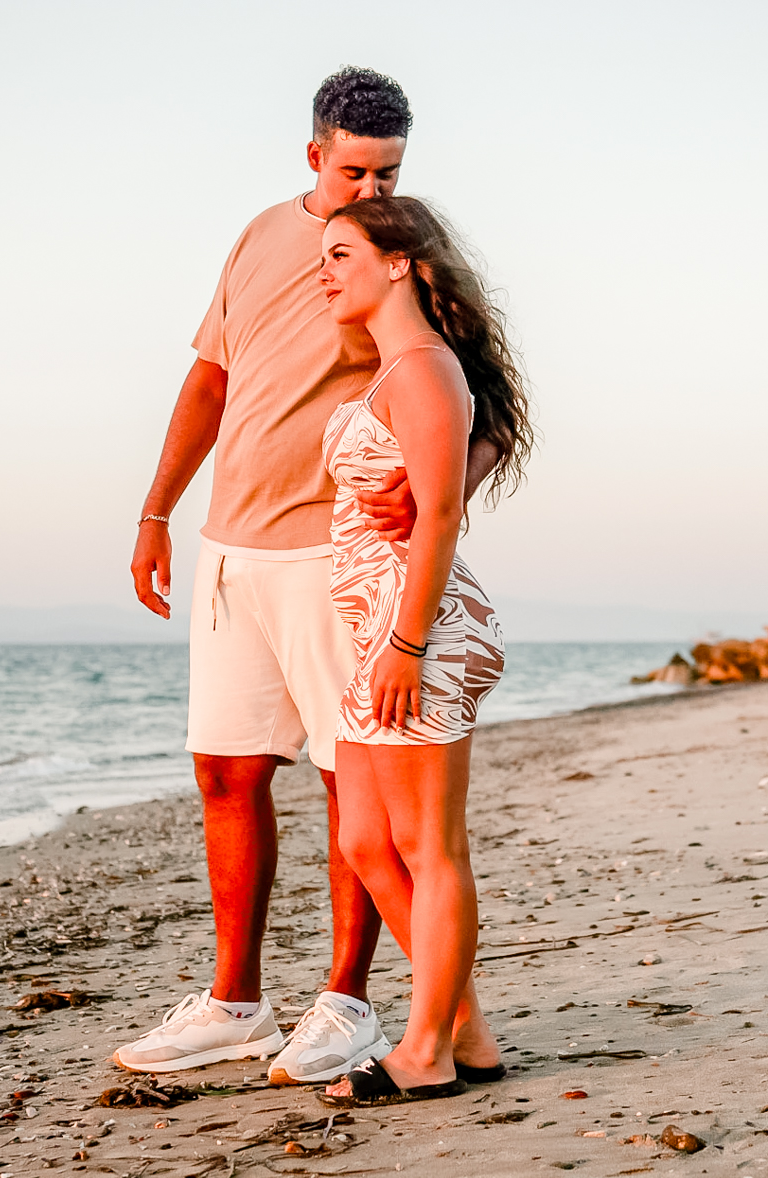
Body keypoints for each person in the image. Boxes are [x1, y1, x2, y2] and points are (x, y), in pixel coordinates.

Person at [119, 67, 499, 1085]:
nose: (373, 191)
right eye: (355, 171)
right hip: (232, 547)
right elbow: (210, 379)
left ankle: (348, 1005)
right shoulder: (258, 239)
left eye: (391, 173)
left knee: (353, 789)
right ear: (312, 156)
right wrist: (157, 512)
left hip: (338, 559)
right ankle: (236, 1003)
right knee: (226, 770)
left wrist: (434, 494)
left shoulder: (396, 255)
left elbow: (485, 411)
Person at [312, 195, 534, 1107]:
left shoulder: (423, 368)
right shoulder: (393, 370)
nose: (324, 271)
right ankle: (464, 1028)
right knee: (366, 841)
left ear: (397, 261)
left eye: (339, 254)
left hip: (423, 632)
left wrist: (405, 642)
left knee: (429, 847)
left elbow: (439, 514)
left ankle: (426, 1051)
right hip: (378, 637)